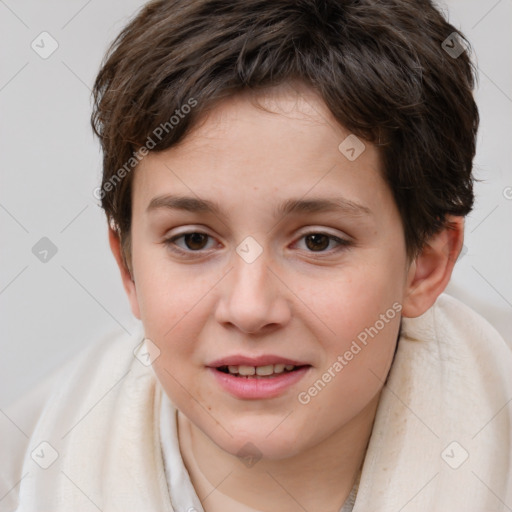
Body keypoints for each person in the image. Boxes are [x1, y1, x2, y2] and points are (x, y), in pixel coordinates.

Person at [1, 1, 511, 511]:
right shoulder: (23, 473)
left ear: (425, 265)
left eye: (318, 241)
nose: (249, 309)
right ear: (128, 267)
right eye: (193, 240)